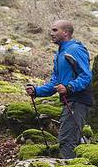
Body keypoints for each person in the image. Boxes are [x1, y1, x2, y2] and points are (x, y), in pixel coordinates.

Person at [26, 20, 93, 159]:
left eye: (55, 30)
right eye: (52, 30)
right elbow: (55, 83)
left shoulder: (74, 49)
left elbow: (86, 76)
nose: (51, 33)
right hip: (69, 100)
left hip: (78, 100)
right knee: (69, 139)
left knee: (66, 140)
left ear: (66, 33)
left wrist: (69, 87)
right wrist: (37, 91)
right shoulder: (60, 54)